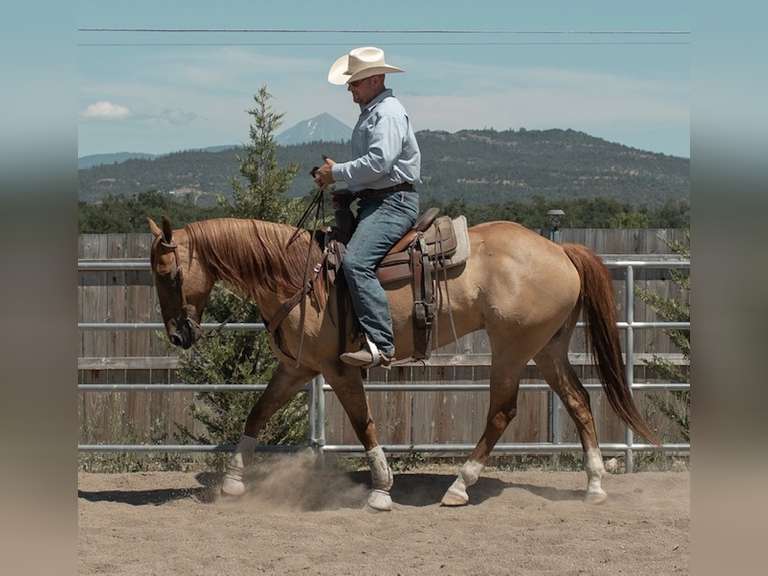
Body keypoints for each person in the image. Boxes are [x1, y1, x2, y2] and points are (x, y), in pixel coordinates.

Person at [314, 46, 421, 368]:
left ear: (375, 79)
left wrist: (336, 173)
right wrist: (347, 187)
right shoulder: (374, 113)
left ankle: (382, 344)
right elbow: (377, 170)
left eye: (355, 82)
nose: (350, 88)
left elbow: (379, 163)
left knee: (357, 262)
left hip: (393, 203)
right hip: (380, 200)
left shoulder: (386, 113)